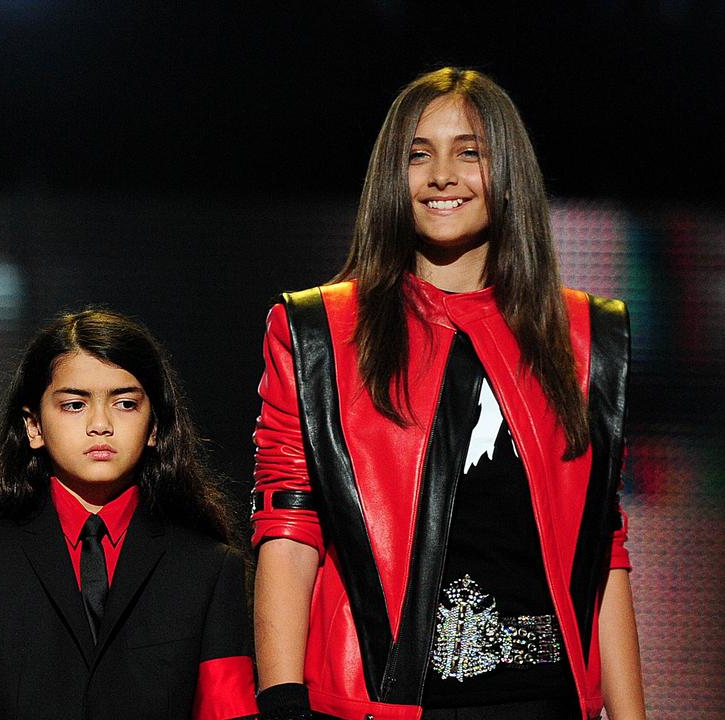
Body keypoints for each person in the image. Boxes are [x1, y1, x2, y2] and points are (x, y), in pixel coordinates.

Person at [251, 68, 645, 720]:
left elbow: (603, 547)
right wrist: (283, 703)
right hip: (384, 705)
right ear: (390, 176)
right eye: (418, 153)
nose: (441, 175)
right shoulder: (318, 332)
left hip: (542, 701)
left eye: (470, 152)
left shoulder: (587, 336)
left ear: (508, 172)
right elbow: (289, 530)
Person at [0, 309, 257, 720]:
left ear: (154, 425)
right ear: (33, 425)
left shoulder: (208, 568)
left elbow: (226, 712)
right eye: (73, 405)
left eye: (124, 404)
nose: (100, 425)